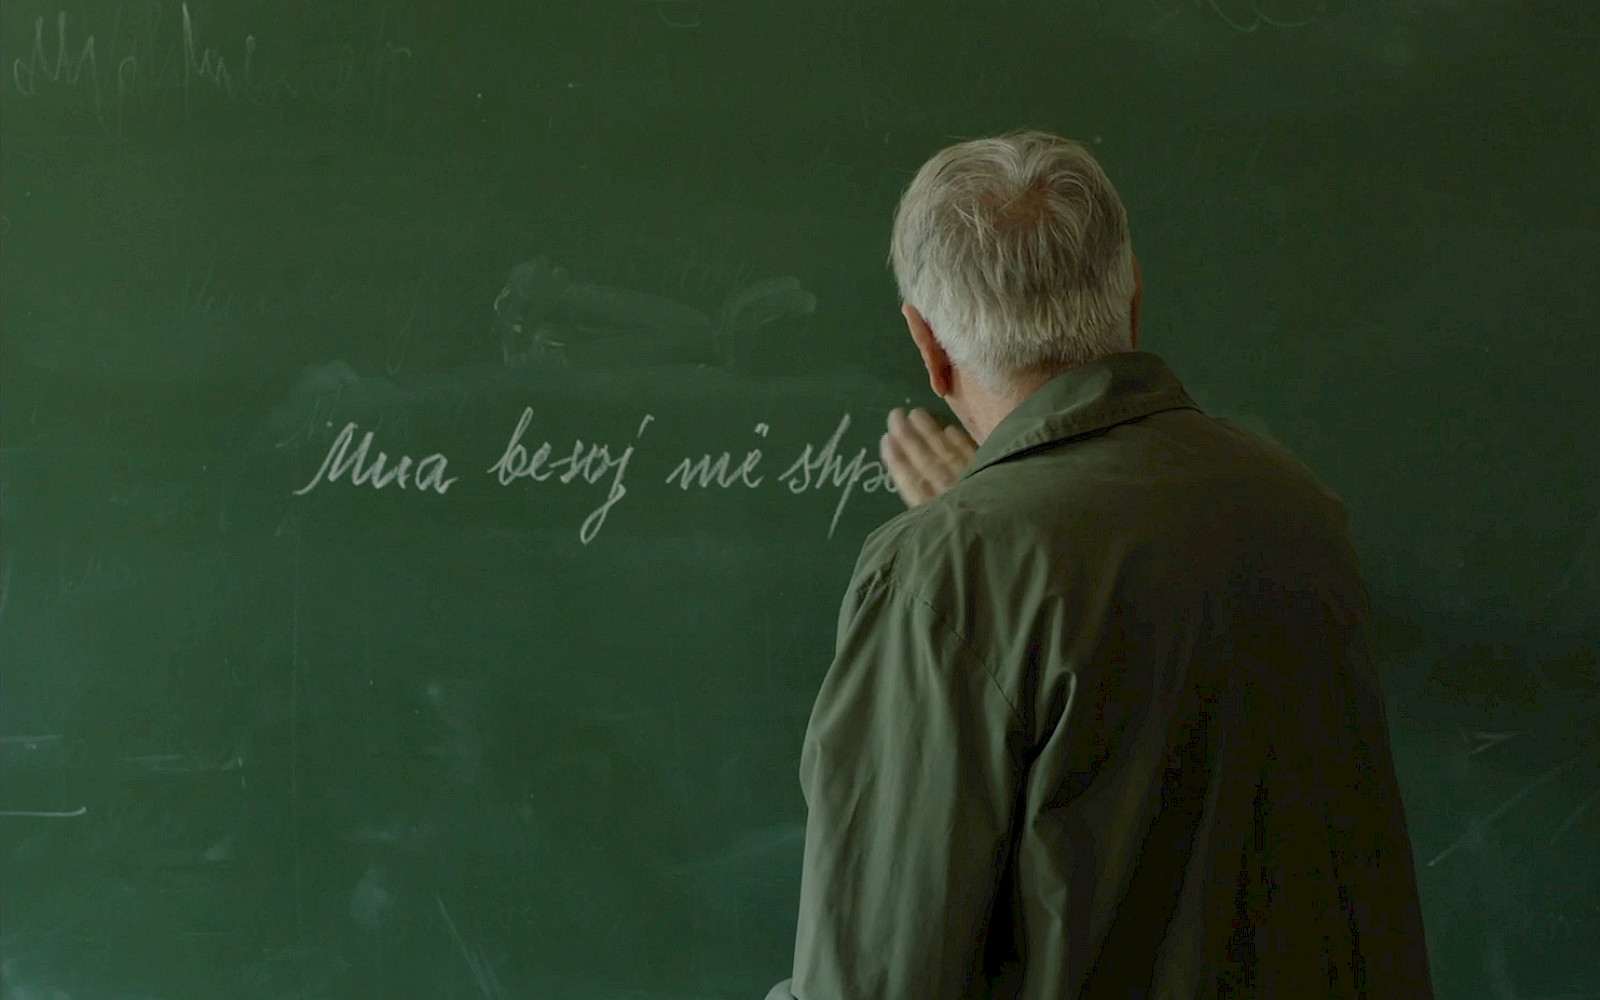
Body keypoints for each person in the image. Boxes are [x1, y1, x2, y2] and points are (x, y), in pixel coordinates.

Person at [764, 131, 1434, 999]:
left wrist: (980, 550)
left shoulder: (948, 576)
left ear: (928, 345)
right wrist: (990, 537)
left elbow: (875, 981)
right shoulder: (1300, 509)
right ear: (1133, 294)